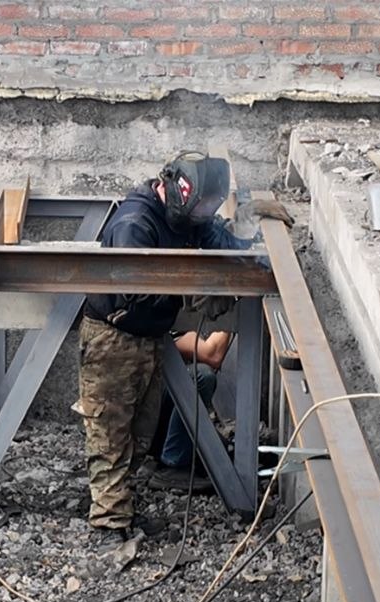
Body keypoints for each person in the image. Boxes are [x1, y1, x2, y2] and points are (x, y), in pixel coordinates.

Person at [73, 150, 291, 549]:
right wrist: (194, 293)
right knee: (110, 432)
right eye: (199, 210)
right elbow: (135, 291)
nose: (201, 217)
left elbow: (221, 243)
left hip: (149, 338)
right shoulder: (135, 224)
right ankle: (107, 525)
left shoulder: (188, 215)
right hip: (113, 339)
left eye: (206, 210)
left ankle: (123, 510)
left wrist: (248, 223)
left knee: (139, 434)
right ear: (174, 189)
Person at [147, 328, 232, 493]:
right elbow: (212, 354)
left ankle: (175, 454)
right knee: (202, 376)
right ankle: (173, 464)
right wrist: (235, 317)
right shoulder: (170, 326)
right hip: (146, 425)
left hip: (151, 418)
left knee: (225, 451)